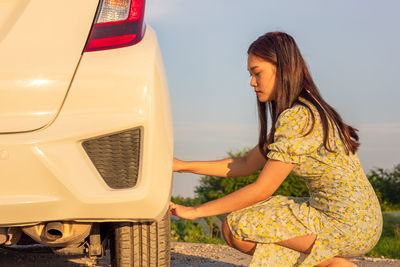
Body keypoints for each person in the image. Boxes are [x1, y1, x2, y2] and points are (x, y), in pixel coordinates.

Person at [169, 31, 382, 267]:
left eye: (257, 73)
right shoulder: (309, 108)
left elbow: (262, 189)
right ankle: (331, 263)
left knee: (235, 226)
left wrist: (196, 211)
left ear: (282, 68)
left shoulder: (298, 118)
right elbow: (245, 164)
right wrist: (182, 166)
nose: (252, 82)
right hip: (361, 218)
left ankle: (331, 264)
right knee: (256, 216)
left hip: (346, 224)